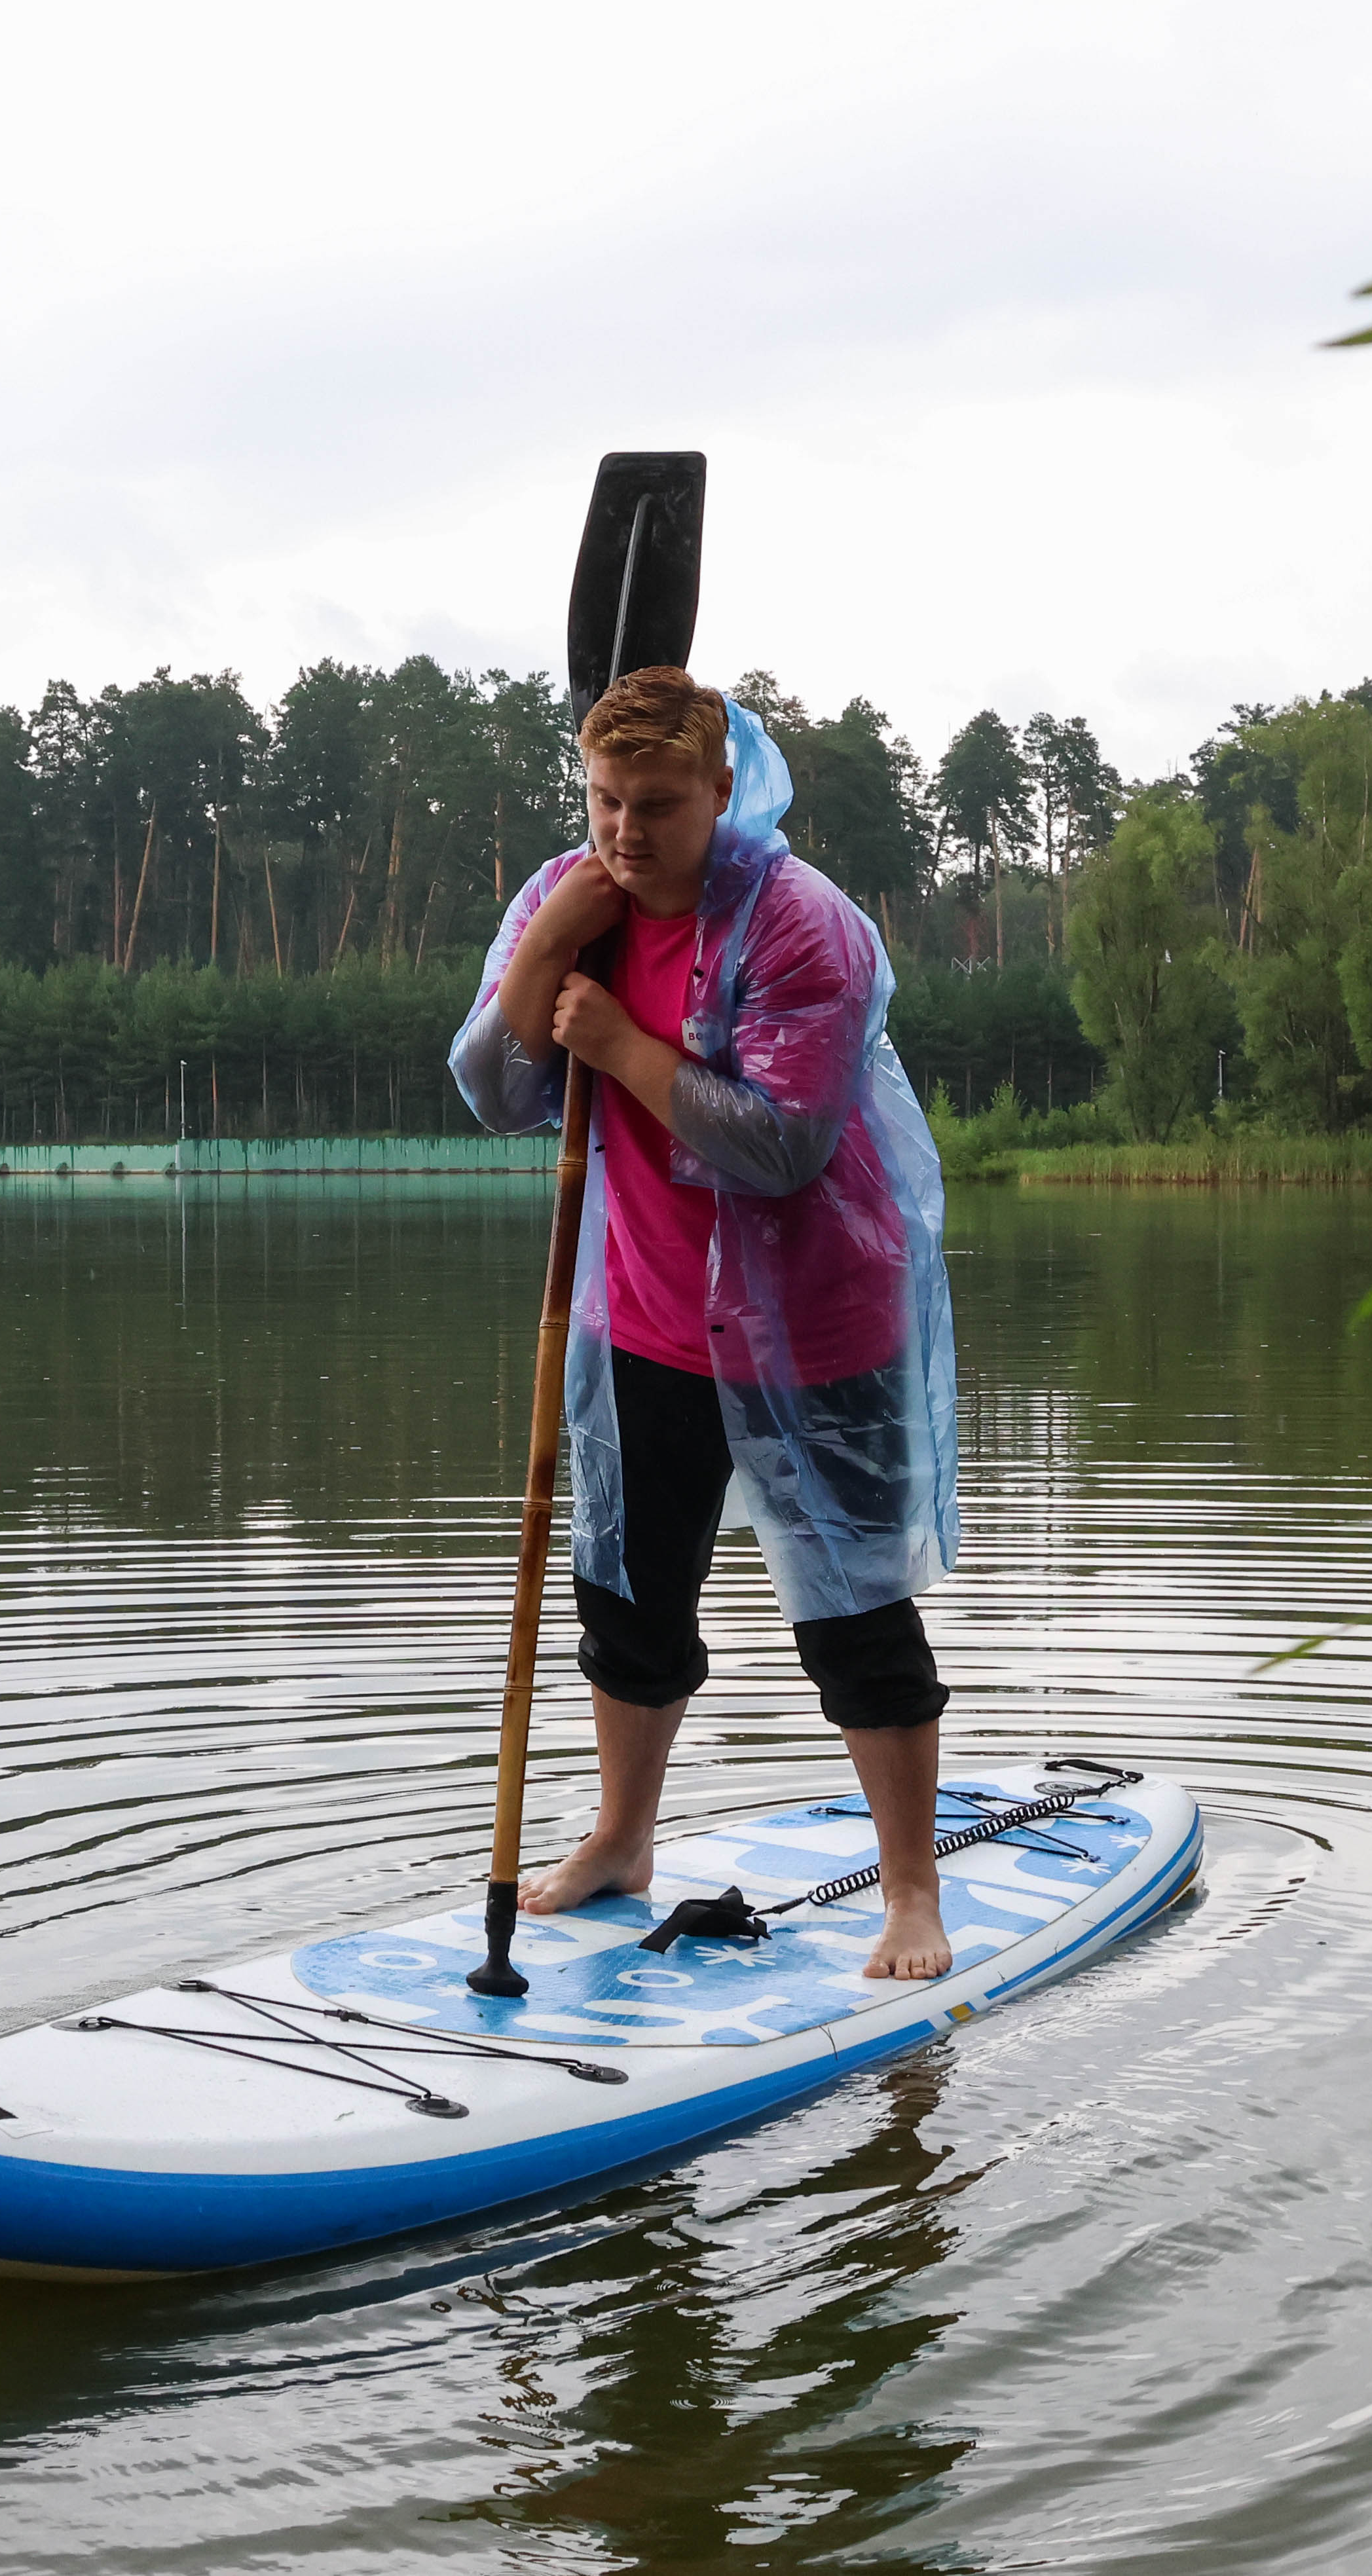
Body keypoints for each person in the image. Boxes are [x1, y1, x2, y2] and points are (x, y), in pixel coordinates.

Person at [449, 665, 961, 1979]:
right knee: (626, 1599)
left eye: (657, 805)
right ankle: (624, 1836)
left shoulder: (804, 925)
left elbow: (783, 1145)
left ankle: (910, 1888)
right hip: (648, 1320)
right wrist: (551, 948)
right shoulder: (568, 894)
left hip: (819, 1322)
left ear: (722, 792)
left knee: (854, 1614)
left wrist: (619, 1044)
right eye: (605, 802)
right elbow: (496, 1090)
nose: (625, 832)